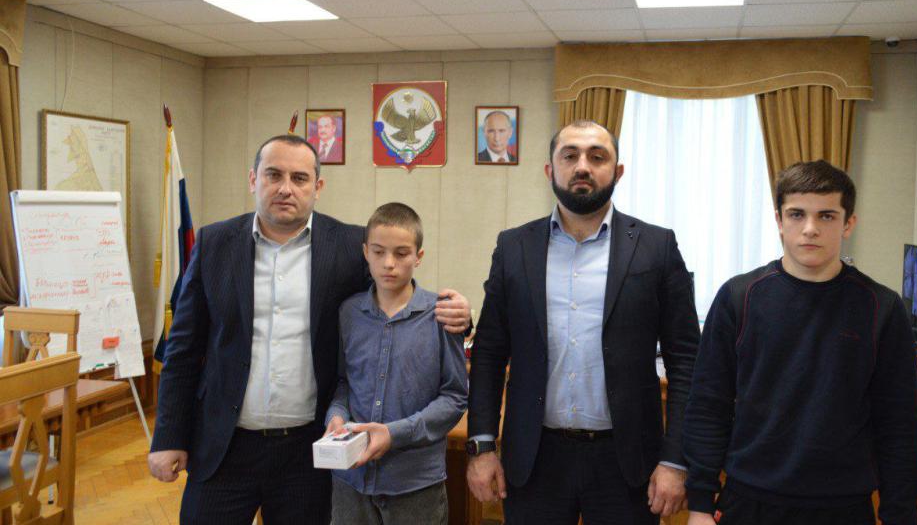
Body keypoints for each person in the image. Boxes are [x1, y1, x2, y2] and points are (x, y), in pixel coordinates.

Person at [147, 135, 471, 524]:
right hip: (224, 444)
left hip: (308, 451)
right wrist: (168, 436)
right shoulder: (214, 243)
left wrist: (460, 315)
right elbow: (183, 349)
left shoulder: (349, 245)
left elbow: (395, 294)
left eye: (299, 178)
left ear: (317, 187)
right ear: (253, 179)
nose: (286, 188)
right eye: (274, 175)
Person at [466, 120, 701, 524]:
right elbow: (488, 354)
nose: (582, 166)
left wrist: (675, 459)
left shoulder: (657, 247)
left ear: (618, 171)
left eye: (597, 156)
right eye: (570, 155)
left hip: (627, 462)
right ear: (549, 169)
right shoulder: (514, 247)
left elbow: (687, 362)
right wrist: (482, 447)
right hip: (535, 458)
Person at [683, 160, 917, 525]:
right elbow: (708, 403)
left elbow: (899, 425)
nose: (810, 229)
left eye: (826, 216)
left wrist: (900, 516)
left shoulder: (882, 307)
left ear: (848, 223)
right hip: (749, 501)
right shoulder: (738, 297)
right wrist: (700, 504)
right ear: (779, 221)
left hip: (843, 507)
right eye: (797, 214)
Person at [325, 202, 467, 525]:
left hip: (415, 484)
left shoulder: (441, 314)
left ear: (419, 256)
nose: (389, 263)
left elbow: (455, 396)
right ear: (366, 252)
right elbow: (344, 383)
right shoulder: (349, 313)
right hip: (351, 482)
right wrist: (336, 416)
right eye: (379, 252)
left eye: (402, 254)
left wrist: (395, 433)